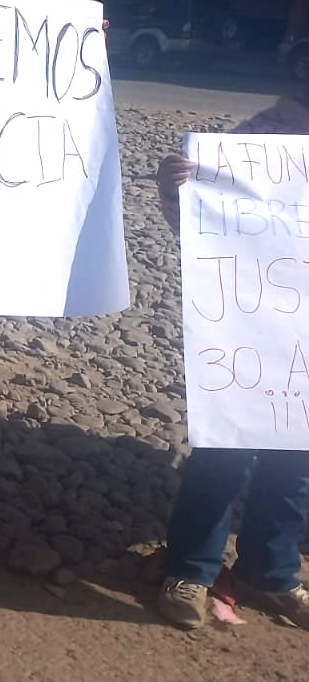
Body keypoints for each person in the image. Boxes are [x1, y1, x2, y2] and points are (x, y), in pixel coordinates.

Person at [153, 101, 309, 631]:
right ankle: (191, 569)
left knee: (298, 462)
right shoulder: (275, 128)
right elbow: (217, 222)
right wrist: (177, 193)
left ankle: (272, 573)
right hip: (252, 325)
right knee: (226, 450)